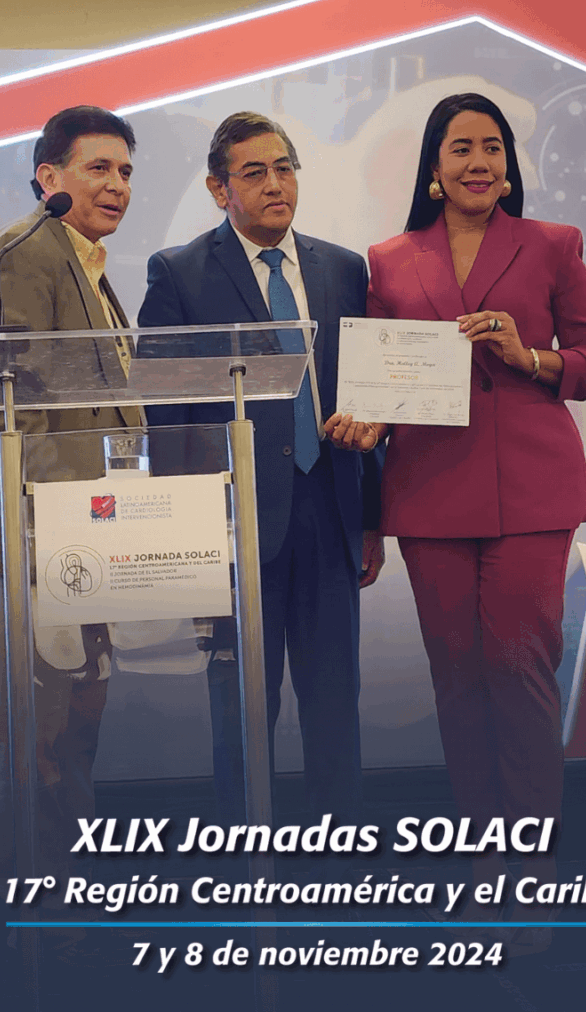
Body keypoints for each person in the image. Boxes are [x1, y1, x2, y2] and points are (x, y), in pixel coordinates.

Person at [327, 93, 586, 938]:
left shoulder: (553, 244)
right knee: (458, 681)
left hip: (532, 492)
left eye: (492, 147)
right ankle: (485, 871)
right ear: (434, 168)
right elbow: (383, 380)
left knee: (519, 674)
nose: (479, 162)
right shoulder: (389, 259)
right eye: (461, 148)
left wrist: (527, 355)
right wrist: (367, 421)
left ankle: (532, 879)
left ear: (508, 164)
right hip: (430, 492)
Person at [138, 110, 385, 819]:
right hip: (235, 526)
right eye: (255, 173)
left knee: (335, 703)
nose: (276, 184)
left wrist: (371, 517)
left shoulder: (344, 269)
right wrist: (187, 533)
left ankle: (339, 854)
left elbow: (365, 391)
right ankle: (249, 856)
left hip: (330, 512)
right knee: (243, 708)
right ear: (220, 190)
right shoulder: (180, 273)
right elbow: (165, 413)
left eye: (285, 168)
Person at [0, 105, 140, 891]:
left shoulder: (86, 262)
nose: (117, 184)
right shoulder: (23, 256)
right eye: (99, 168)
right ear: (48, 177)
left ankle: (68, 901)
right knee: (37, 738)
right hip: (43, 540)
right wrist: (64, 525)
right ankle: (37, 918)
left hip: (85, 537)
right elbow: (14, 409)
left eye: (125, 171)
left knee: (73, 732)